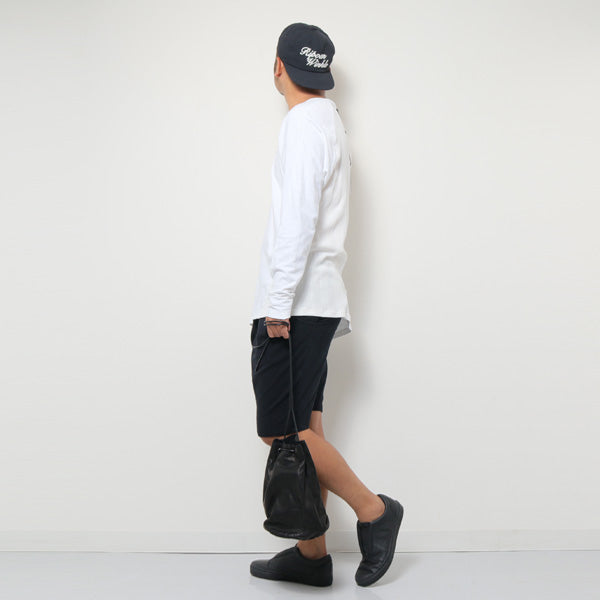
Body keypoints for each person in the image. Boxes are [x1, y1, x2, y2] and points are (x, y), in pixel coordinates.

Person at [248, 22, 403, 588]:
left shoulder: (302, 123)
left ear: (278, 67)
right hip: (316, 300)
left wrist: (277, 303)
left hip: (296, 303)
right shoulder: (328, 121)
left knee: (282, 433)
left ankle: (374, 512)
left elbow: (298, 219)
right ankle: (311, 555)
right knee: (305, 425)